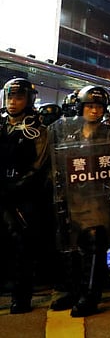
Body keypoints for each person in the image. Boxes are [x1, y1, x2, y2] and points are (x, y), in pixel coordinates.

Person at [50, 85, 110, 317]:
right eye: (90, 106)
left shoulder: (109, 134)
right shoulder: (70, 133)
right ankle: (75, 290)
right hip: (75, 198)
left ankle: (91, 295)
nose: (94, 111)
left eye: (98, 107)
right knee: (73, 246)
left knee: (95, 242)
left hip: (98, 200)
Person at [0, 78, 51, 314]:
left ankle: (21, 297)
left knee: (23, 247)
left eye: (18, 97)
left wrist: (16, 188)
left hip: (24, 196)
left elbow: (39, 166)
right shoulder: (1, 125)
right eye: (10, 96)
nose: (12, 102)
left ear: (28, 100)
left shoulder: (38, 130)